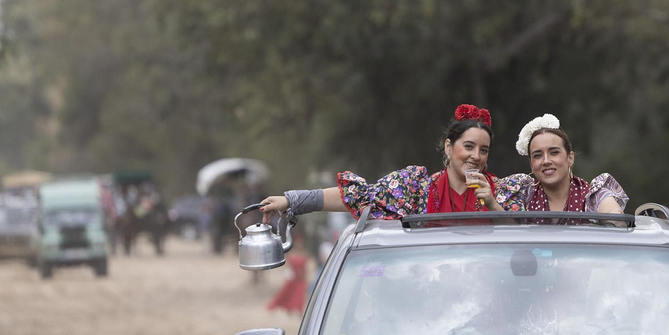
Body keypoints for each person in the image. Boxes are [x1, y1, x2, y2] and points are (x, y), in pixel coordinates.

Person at [258, 104, 503, 223]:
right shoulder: (415, 189)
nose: (476, 157)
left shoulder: (504, 192)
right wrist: (292, 200)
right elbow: (359, 197)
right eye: (468, 147)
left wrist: (492, 203)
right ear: (449, 147)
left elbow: (528, 233)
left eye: (484, 150)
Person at [494, 113, 627, 213]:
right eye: (538, 155)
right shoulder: (523, 195)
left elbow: (614, 217)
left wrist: (613, 216)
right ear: (531, 164)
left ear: (570, 158)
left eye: (554, 152)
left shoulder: (592, 195)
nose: (546, 161)